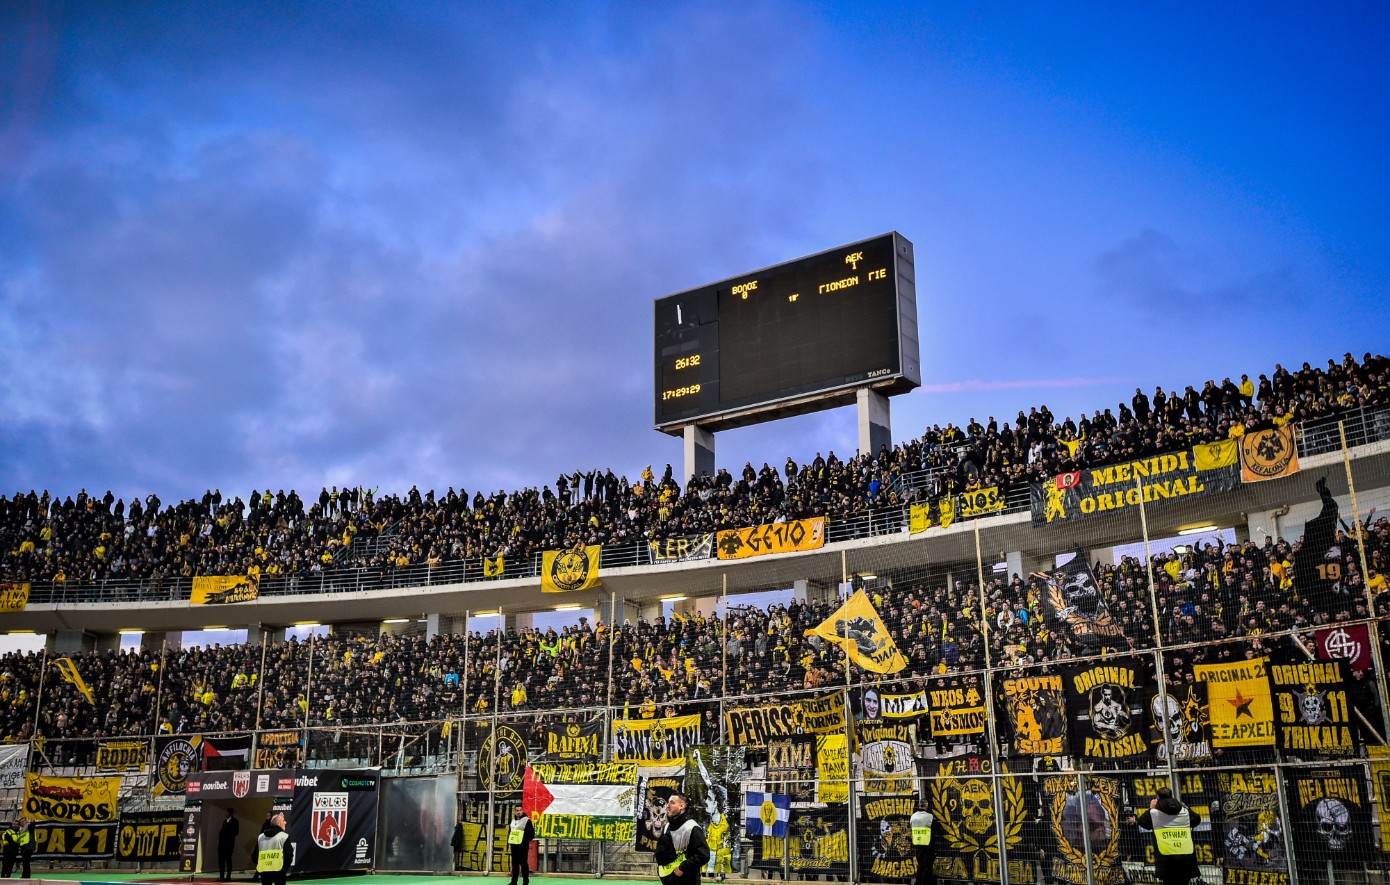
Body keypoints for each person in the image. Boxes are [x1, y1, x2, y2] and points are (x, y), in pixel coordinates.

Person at [1131, 787, 1200, 885]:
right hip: (1186, 857)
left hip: (1166, 859)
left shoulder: (1154, 813)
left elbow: (1143, 822)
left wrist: (1151, 808)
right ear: (1171, 796)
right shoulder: (1185, 811)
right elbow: (1197, 820)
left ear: (1157, 798)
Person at [655, 793, 710, 885]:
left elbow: (703, 855)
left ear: (682, 806)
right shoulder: (667, 826)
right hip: (670, 879)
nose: (667, 805)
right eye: (668, 802)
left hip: (687, 880)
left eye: (672, 803)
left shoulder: (691, 827)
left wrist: (682, 868)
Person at [257, 812, 293, 885]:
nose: (285, 822)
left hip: (265, 870)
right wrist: (284, 868)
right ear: (279, 823)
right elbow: (289, 855)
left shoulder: (260, 837)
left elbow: (256, 854)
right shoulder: (284, 836)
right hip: (279, 870)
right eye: (283, 821)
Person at [910, 802, 937, 885]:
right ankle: (925, 882)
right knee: (927, 865)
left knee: (920, 864)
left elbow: (911, 826)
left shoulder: (913, 816)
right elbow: (937, 827)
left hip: (917, 843)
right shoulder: (929, 816)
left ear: (919, 806)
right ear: (926, 806)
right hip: (928, 843)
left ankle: (918, 882)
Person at [506, 806, 534, 885]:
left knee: (523, 863)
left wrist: (524, 841)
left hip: (523, 846)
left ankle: (525, 882)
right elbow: (511, 832)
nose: (518, 812)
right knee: (515, 864)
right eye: (517, 810)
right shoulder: (513, 821)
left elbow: (531, 834)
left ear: (522, 811)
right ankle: (514, 881)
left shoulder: (527, 820)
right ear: (515, 812)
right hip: (514, 845)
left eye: (520, 810)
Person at [218, 808, 240, 881]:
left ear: (231, 813)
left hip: (228, 845)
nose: (225, 814)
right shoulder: (225, 821)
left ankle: (228, 876)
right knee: (221, 861)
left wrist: (228, 833)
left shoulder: (235, 821)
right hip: (221, 845)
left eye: (227, 812)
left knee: (228, 861)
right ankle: (221, 876)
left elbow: (236, 832)